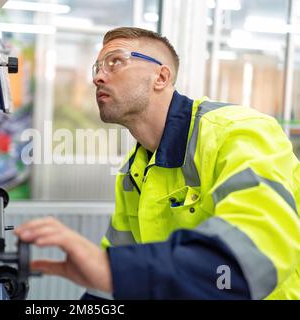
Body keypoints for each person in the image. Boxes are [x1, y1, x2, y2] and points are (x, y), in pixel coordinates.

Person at [15, 27, 300, 299]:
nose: (98, 78)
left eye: (114, 63)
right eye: (97, 68)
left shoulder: (238, 132)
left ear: (161, 77)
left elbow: (256, 251)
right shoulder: (133, 172)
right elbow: (113, 277)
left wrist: (115, 272)